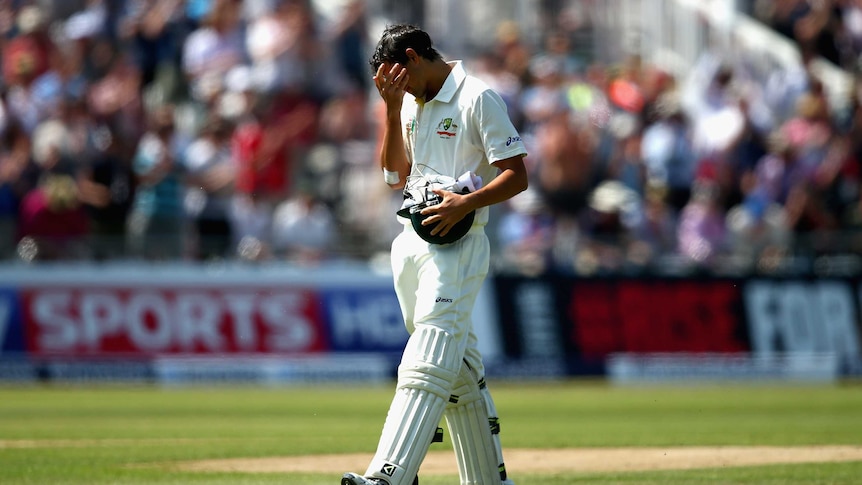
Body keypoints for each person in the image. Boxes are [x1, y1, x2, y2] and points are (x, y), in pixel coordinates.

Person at [341, 24, 527, 485]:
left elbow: (517, 176)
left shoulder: (478, 98)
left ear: (414, 57)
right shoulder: (406, 101)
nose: (396, 88)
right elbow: (392, 177)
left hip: (458, 242)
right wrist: (389, 109)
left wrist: (467, 202)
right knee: (457, 369)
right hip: (410, 242)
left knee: (426, 359)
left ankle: (389, 476)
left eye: (397, 79)